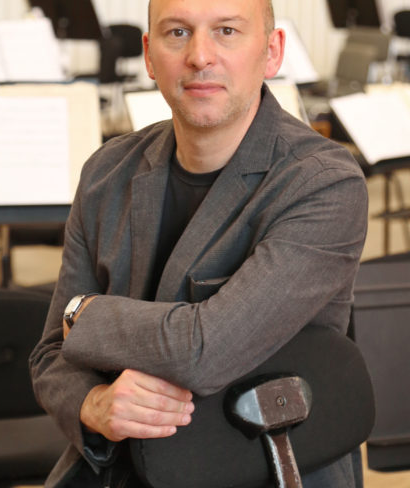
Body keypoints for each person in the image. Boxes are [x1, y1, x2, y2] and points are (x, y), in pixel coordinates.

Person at [29, 0, 368, 486]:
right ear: (149, 55)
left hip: (257, 467)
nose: (200, 56)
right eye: (177, 33)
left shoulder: (323, 182)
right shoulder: (107, 171)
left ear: (272, 52)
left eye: (227, 31)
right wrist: (93, 403)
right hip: (115, 469)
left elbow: (204, 351)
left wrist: (84, 314)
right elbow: (50, 354)